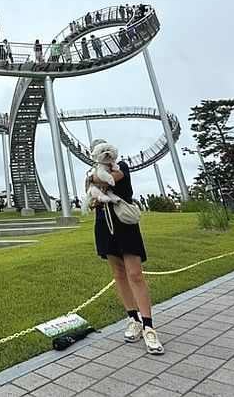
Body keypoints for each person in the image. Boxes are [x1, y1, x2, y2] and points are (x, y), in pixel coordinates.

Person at [88, 138, 164, 355]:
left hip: (124, 222)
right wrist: (94, 180)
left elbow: (109, 180)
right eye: (101, 151)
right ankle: (133, 319)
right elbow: (94, 185)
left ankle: (148, 325)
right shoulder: (94, 170)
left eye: (108, 150)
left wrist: (94, 179)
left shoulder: (122, 166)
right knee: (118, 273)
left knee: (135, 273)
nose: (106, 155)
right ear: (95, 154)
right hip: (103, 222)